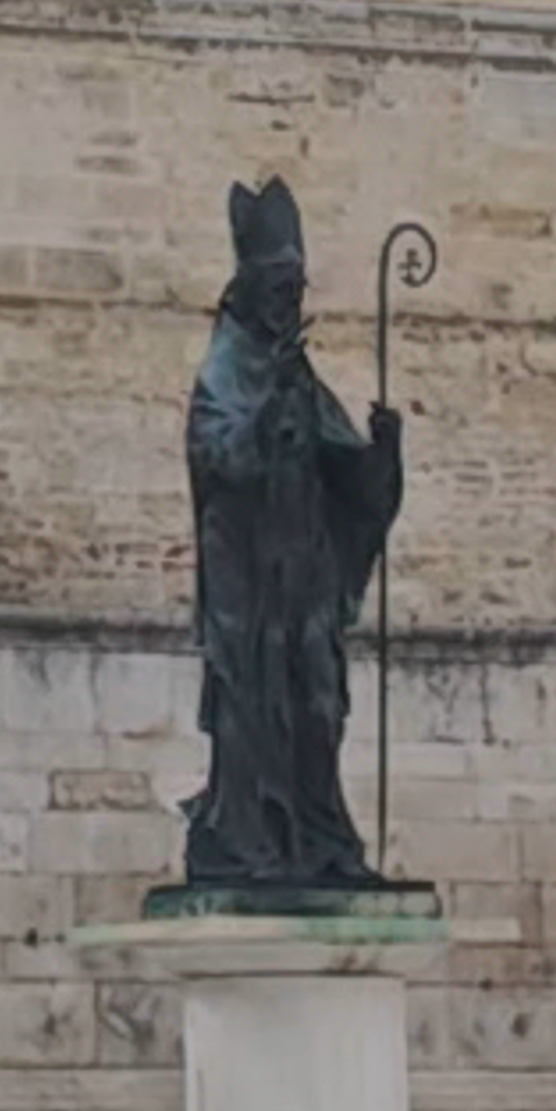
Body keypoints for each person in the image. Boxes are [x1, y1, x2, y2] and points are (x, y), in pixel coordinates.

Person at [175, 177, 404, 896]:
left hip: (304, 572)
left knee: (317, 701)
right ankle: (250, 840)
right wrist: (263, 414)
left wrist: (381, 454)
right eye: (278, 284)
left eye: (297, 286)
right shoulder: (225, 369)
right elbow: (216, 458)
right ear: (248, 284)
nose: (290, 300)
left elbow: (352, 480)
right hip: (249, 588)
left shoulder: (297, 373)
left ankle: (323, 840)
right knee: (253, 710)